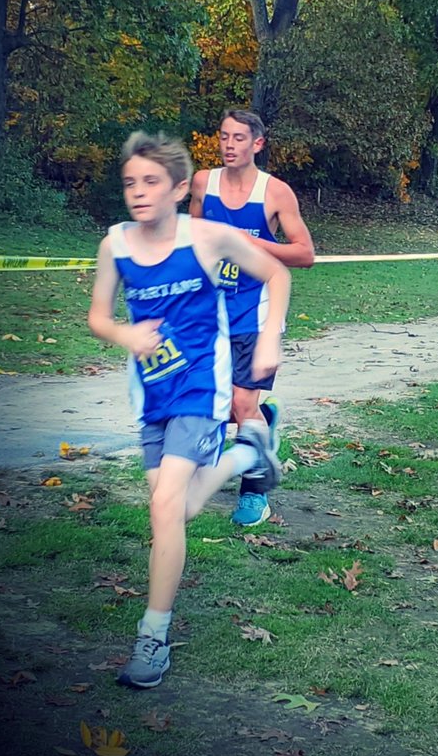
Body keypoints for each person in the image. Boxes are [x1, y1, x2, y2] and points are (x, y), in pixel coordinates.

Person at [88, 131, 290, 689]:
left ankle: (152, 636)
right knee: (174, 512)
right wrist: (127, 336)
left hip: (203, 386)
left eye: (151, 181)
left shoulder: (207, 238)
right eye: (130, 182)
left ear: (180, 188)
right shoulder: (117, 246)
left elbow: (279, 271)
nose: (138, 192)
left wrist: (270, 338)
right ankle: (245, 453)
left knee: (162, 505)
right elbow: (98, 318)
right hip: (152, 392)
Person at [189, 109, 314, 527]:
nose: (229, 144)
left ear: (257, 144)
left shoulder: (275, 193)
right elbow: (192, 235)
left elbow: (304, 254)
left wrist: (251, 243)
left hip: (255, 311)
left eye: (239, 138)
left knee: (242, 404)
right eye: (224, 136)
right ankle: (262, 421)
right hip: (209, 311)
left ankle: (254, 494)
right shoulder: (203, 183)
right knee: (209, 405)